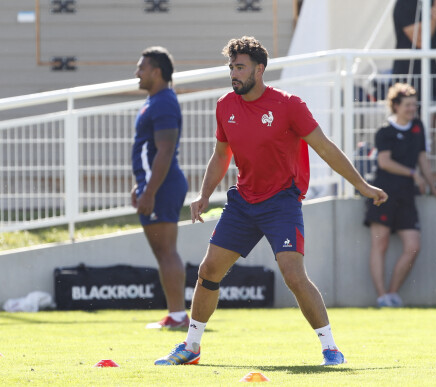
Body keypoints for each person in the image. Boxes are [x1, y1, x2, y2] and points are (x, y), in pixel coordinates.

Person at [154, 36, 388, 366]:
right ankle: (191, 347)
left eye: (240, 67)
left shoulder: (289, 105)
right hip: (242, 203)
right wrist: (205, 194)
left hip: (281, 201)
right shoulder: (225, 106)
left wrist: (361, 185)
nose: (233, 73)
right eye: (231, 67)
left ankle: (330, 348)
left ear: (259, 70)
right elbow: (221, 155)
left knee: (293, 274)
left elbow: (324, 147)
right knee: (208, 271)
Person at [365, 83, 436, 307]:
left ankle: (392, 293)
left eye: (415, 104)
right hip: (383, 193)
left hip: (407, 195)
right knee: (379, 245)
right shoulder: (385, 131)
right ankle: (382, 296)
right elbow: (384, 162)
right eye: (408, 105)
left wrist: (433, 187)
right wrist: (413, 174)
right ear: (396, 106)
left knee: (413, 246)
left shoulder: (417, 127)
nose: (413, 109)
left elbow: (422, 158)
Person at [131, 46, 189, 329]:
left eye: (141, 68)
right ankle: (174, 314)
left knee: (167, 251)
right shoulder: (154, 101)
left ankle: (179, 316)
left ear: (156, 72)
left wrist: (151, 190)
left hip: (164, 186)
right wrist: (141, 185)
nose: (137, 73)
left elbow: (164, 152)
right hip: (155, 184)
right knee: (162, 251)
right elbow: (149, 150)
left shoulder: (165, 101)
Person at [390, 0, 436, 99]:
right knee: (409, 109)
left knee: (432, 109)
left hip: (430, 71)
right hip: (407, 72)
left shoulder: (432, 3)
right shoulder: (405, 4)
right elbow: (420, 41)